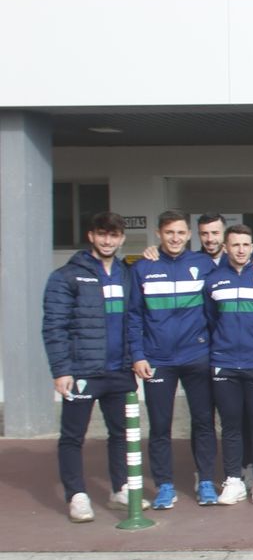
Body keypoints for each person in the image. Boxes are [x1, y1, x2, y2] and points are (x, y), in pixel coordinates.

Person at [43, 212, 136, 522]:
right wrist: (61, 370)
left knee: (120, 434)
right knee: (73, 436)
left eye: (114, 235)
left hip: (119, 371)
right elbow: (54, 326)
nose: (108, 240)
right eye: (102, 234)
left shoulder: (126, 274)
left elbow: (134, 320)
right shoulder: (67, 275)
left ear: (122, 238)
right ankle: (77, 496)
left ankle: (119, 489)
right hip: (82, 372)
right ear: (91, 236)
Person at [127, 210, 219, 509]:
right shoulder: (143, 267)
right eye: (169, 233)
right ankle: (165, 485)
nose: (176, 238)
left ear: (189, 234)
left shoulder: (203, 264)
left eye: (181, 232)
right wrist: (138, 354)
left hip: (197, 356)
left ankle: (205, 480)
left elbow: (215, 308)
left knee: (204, 422)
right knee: (160, 425)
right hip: (158, 359)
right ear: (158, 234)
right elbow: (134, 316)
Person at [206, 224, 253, 505]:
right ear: (225, 248)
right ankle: (234, 479)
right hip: (224, 364)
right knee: (231, 425)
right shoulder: (213, 280)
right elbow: (211, 320)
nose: (241, 250)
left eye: (246, 245)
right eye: (235, 245)